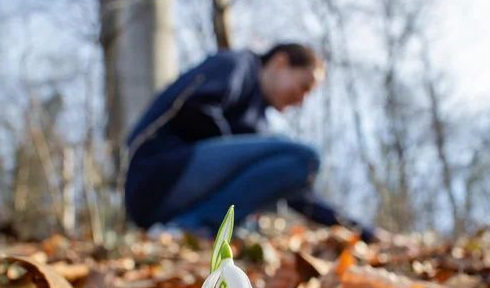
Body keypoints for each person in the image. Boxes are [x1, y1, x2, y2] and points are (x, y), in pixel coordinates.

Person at [124, 43, 385, 242]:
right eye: (304, 86)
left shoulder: (257, 123)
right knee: (304, 157)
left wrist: (366, 233)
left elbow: (301, 194)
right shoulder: (236, 65)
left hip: (169, 203)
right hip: (155, 174)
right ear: (281, 62)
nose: (302, 100)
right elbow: (194, 107)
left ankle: (186, 227)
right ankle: (195, 225)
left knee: (294, 167)